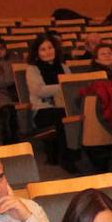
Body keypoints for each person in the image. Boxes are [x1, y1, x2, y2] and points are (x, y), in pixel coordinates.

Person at [26, 32, 73, 167]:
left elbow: (71, 87)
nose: (48, 52)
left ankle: (75, 153)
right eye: (43, 49)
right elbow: (38, 91)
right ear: (37, 53)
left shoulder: (64, 67)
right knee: (63, 115)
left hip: (63, 106)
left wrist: (64, 86)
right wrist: (62, 86)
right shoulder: (32, 69)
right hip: (42, 109)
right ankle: (66, 158)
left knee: (72, 113)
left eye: (50, 48)